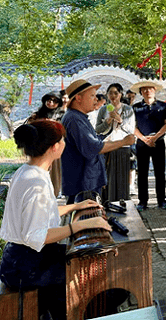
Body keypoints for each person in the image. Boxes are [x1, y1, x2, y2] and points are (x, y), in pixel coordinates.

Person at [0, 120, 112, 320]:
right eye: (62, 141)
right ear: (54, 147)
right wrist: (82, 225)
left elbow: (40, 212)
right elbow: (37, 236)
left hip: (17, 258)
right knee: (94, 278)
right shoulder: (36, 182)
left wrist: (75, 206)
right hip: (27, 266)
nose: (64, 144)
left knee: (87, 262)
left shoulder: (26, 171)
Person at [61, 79, 135, 204]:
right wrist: (123, 142)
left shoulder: (79, 117)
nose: (96, 100)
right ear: (78, 98)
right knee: (87, 219)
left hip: (88, 181)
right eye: (92, 96)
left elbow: (95, 138)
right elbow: (94, 147)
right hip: (82, 184)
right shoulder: (74, 119)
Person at [131, 80, 166, 211]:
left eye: (150, 88)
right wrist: (144, 139)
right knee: (142, 173)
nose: (147, 91)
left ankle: (162, 200)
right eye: (144, 89)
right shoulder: (136, 107)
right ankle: (142, 201)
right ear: (141, 92)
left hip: (158, 143)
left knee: (160, 173)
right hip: (142, 144)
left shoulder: (162, 106)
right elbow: (133, 126)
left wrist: (155, 137)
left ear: (154, 90)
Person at [95, 83, 135, 202]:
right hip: (107, 145)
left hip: (123, 145)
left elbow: (131, 130)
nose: (113, 96)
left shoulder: (128, 109)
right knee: (107, 175)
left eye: (115, 93)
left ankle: (122, 201)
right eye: (110, 93)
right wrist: (107, 122)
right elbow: (97, 129)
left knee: (121, 176)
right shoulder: (103, 109)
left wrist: (120, 120)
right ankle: (107, 201)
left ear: (121, 95)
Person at [27, 91, 64, 197]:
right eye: (49, 100)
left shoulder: (62, 115)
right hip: (40, 147)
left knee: (54, 173)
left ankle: (53, 194)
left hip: (54, 147)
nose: (51, 103)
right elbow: (29, 128)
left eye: (54, 101)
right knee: (38, 170)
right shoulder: (37, 115)